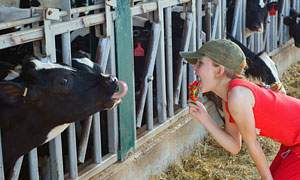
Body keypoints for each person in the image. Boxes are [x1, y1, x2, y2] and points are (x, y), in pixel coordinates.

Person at [180, 39, 300, 180]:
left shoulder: (238, 97)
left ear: (218, 70)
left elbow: (252, 143)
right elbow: (235, 146)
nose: (195, 68)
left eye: (200, 63)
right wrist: (204, 118)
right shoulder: (229, 100)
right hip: (292, 142)